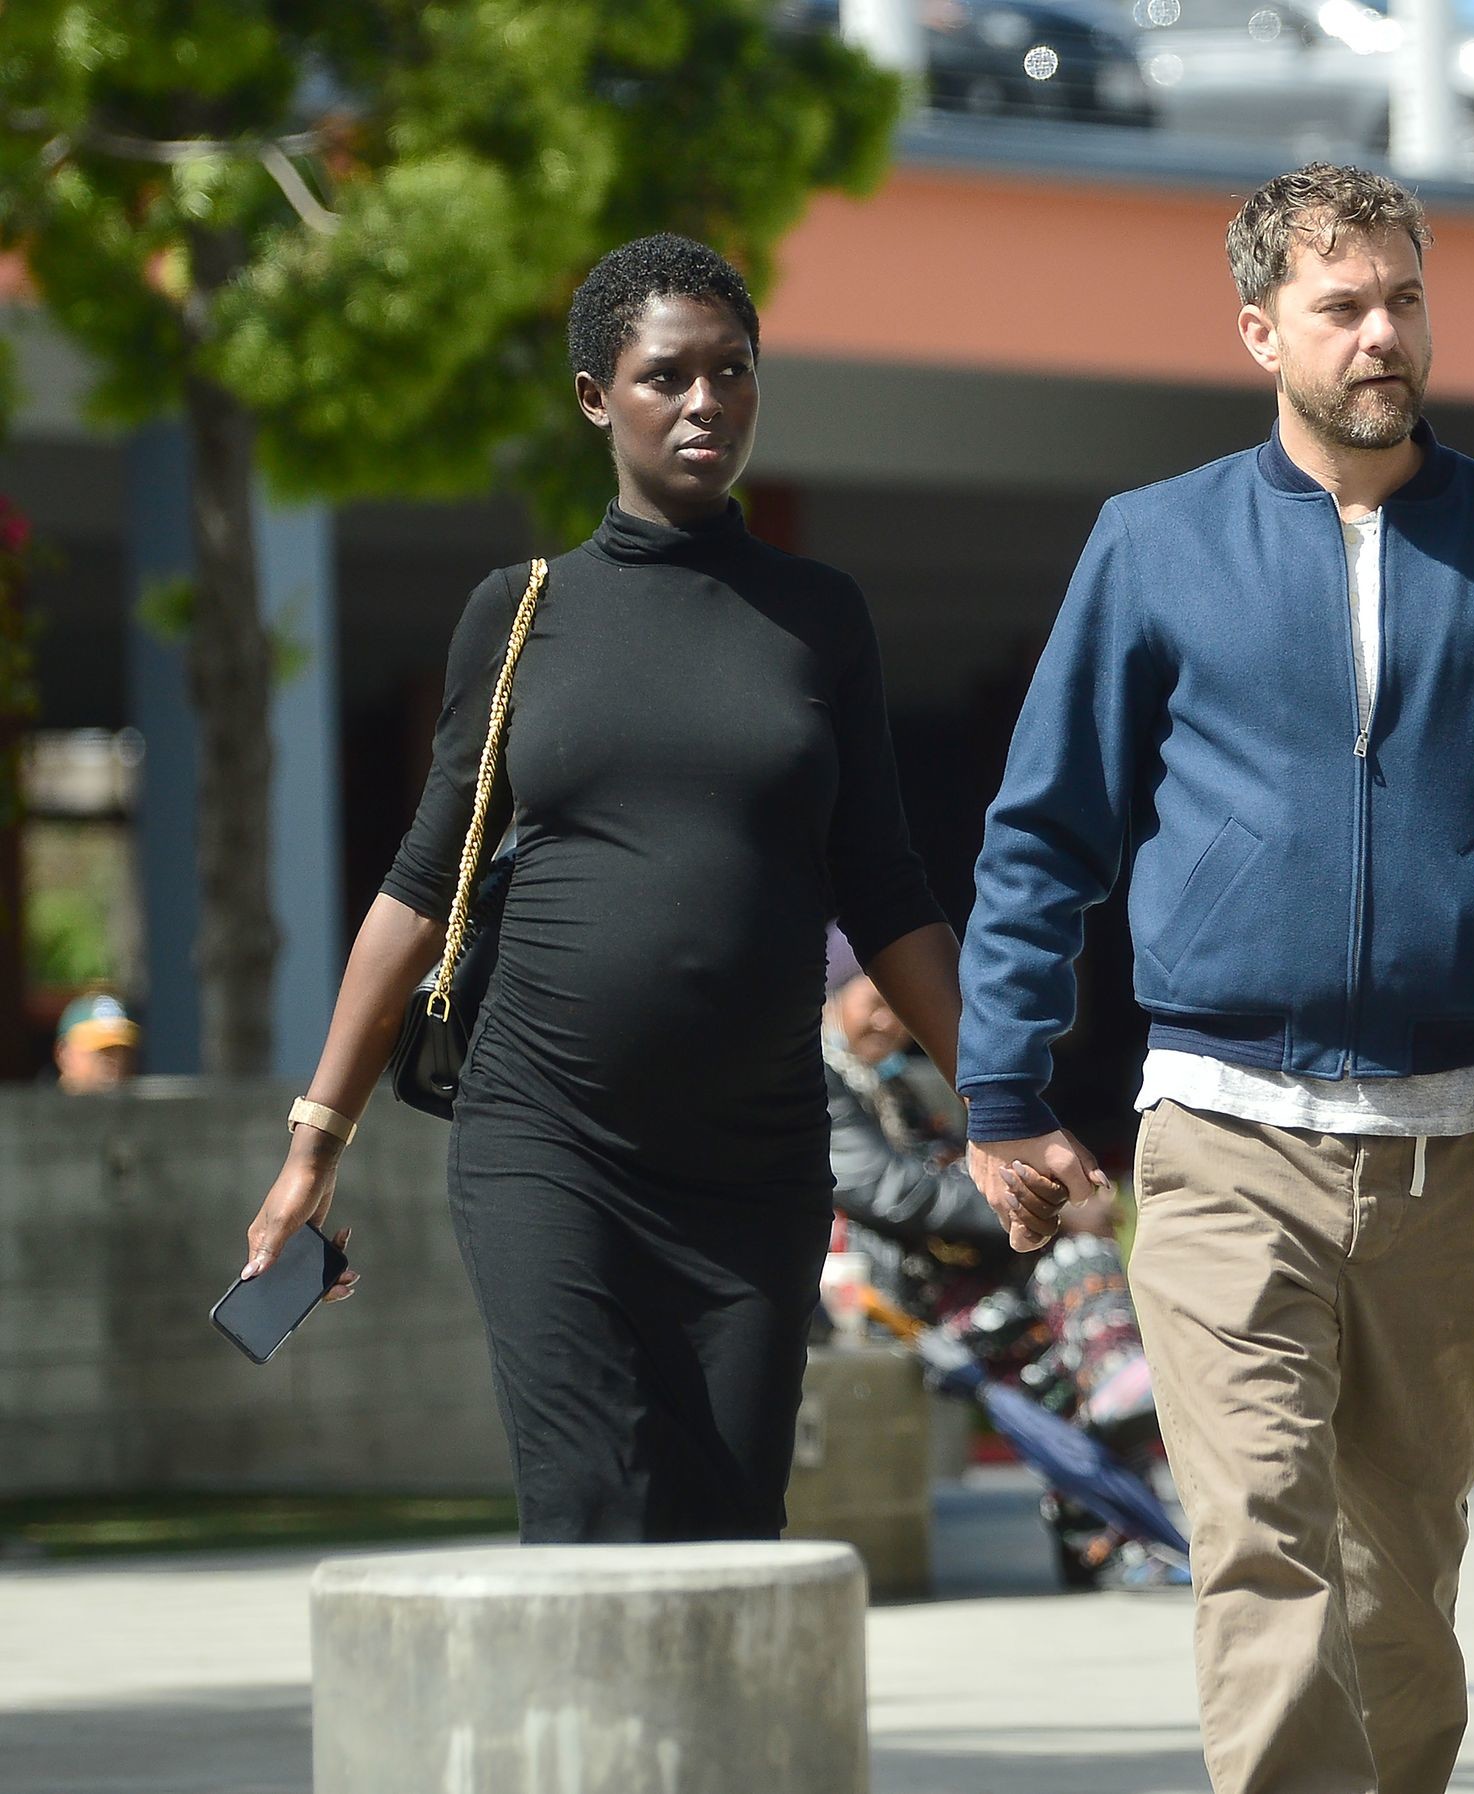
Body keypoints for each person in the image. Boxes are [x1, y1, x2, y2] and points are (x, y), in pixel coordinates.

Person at [957, 164, 1474, 1794]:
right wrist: (1004, 1085)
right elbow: (1045, 829)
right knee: (1262, 1543)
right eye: (1342, 305)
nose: (1381, 334)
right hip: (1221, 1135)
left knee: (1398, 1576)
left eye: (1404, 299)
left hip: (1453, 1143)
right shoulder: (1153, 544)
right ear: (1259, 330)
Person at [240, 233, 966, 1544]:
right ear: (596, 396)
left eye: (732, 371)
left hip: (757, 1159)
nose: (706, 402)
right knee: (590, 1516)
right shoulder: (522, 612)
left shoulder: (820, 616)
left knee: (727, 1535)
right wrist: (312, 1152)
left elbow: (887, 887)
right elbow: (417, 889)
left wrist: (1007, 1100)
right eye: (666, 375)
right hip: (550, 1145)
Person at [821, 931, 1168, 1587]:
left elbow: (960, 1167)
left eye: (900, 1006)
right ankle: (1114, 1397)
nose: (891, 1021)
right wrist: (1042, 1210)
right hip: (877, 1294)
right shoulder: (818, 1080)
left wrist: (1042, 1195)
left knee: (1059, 1350)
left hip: (950, 1282)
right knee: (1059, 1323)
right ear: (834, 994)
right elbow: (892, 1192)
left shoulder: (904, 1084)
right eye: (875, 1001)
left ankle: (1112, 1520)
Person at [49, 991, 139, 1091]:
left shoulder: (139, 1098)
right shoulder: (42, 1100)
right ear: (63, 1054)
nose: (110, 1059)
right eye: (98, 1049)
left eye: (119, 1049)